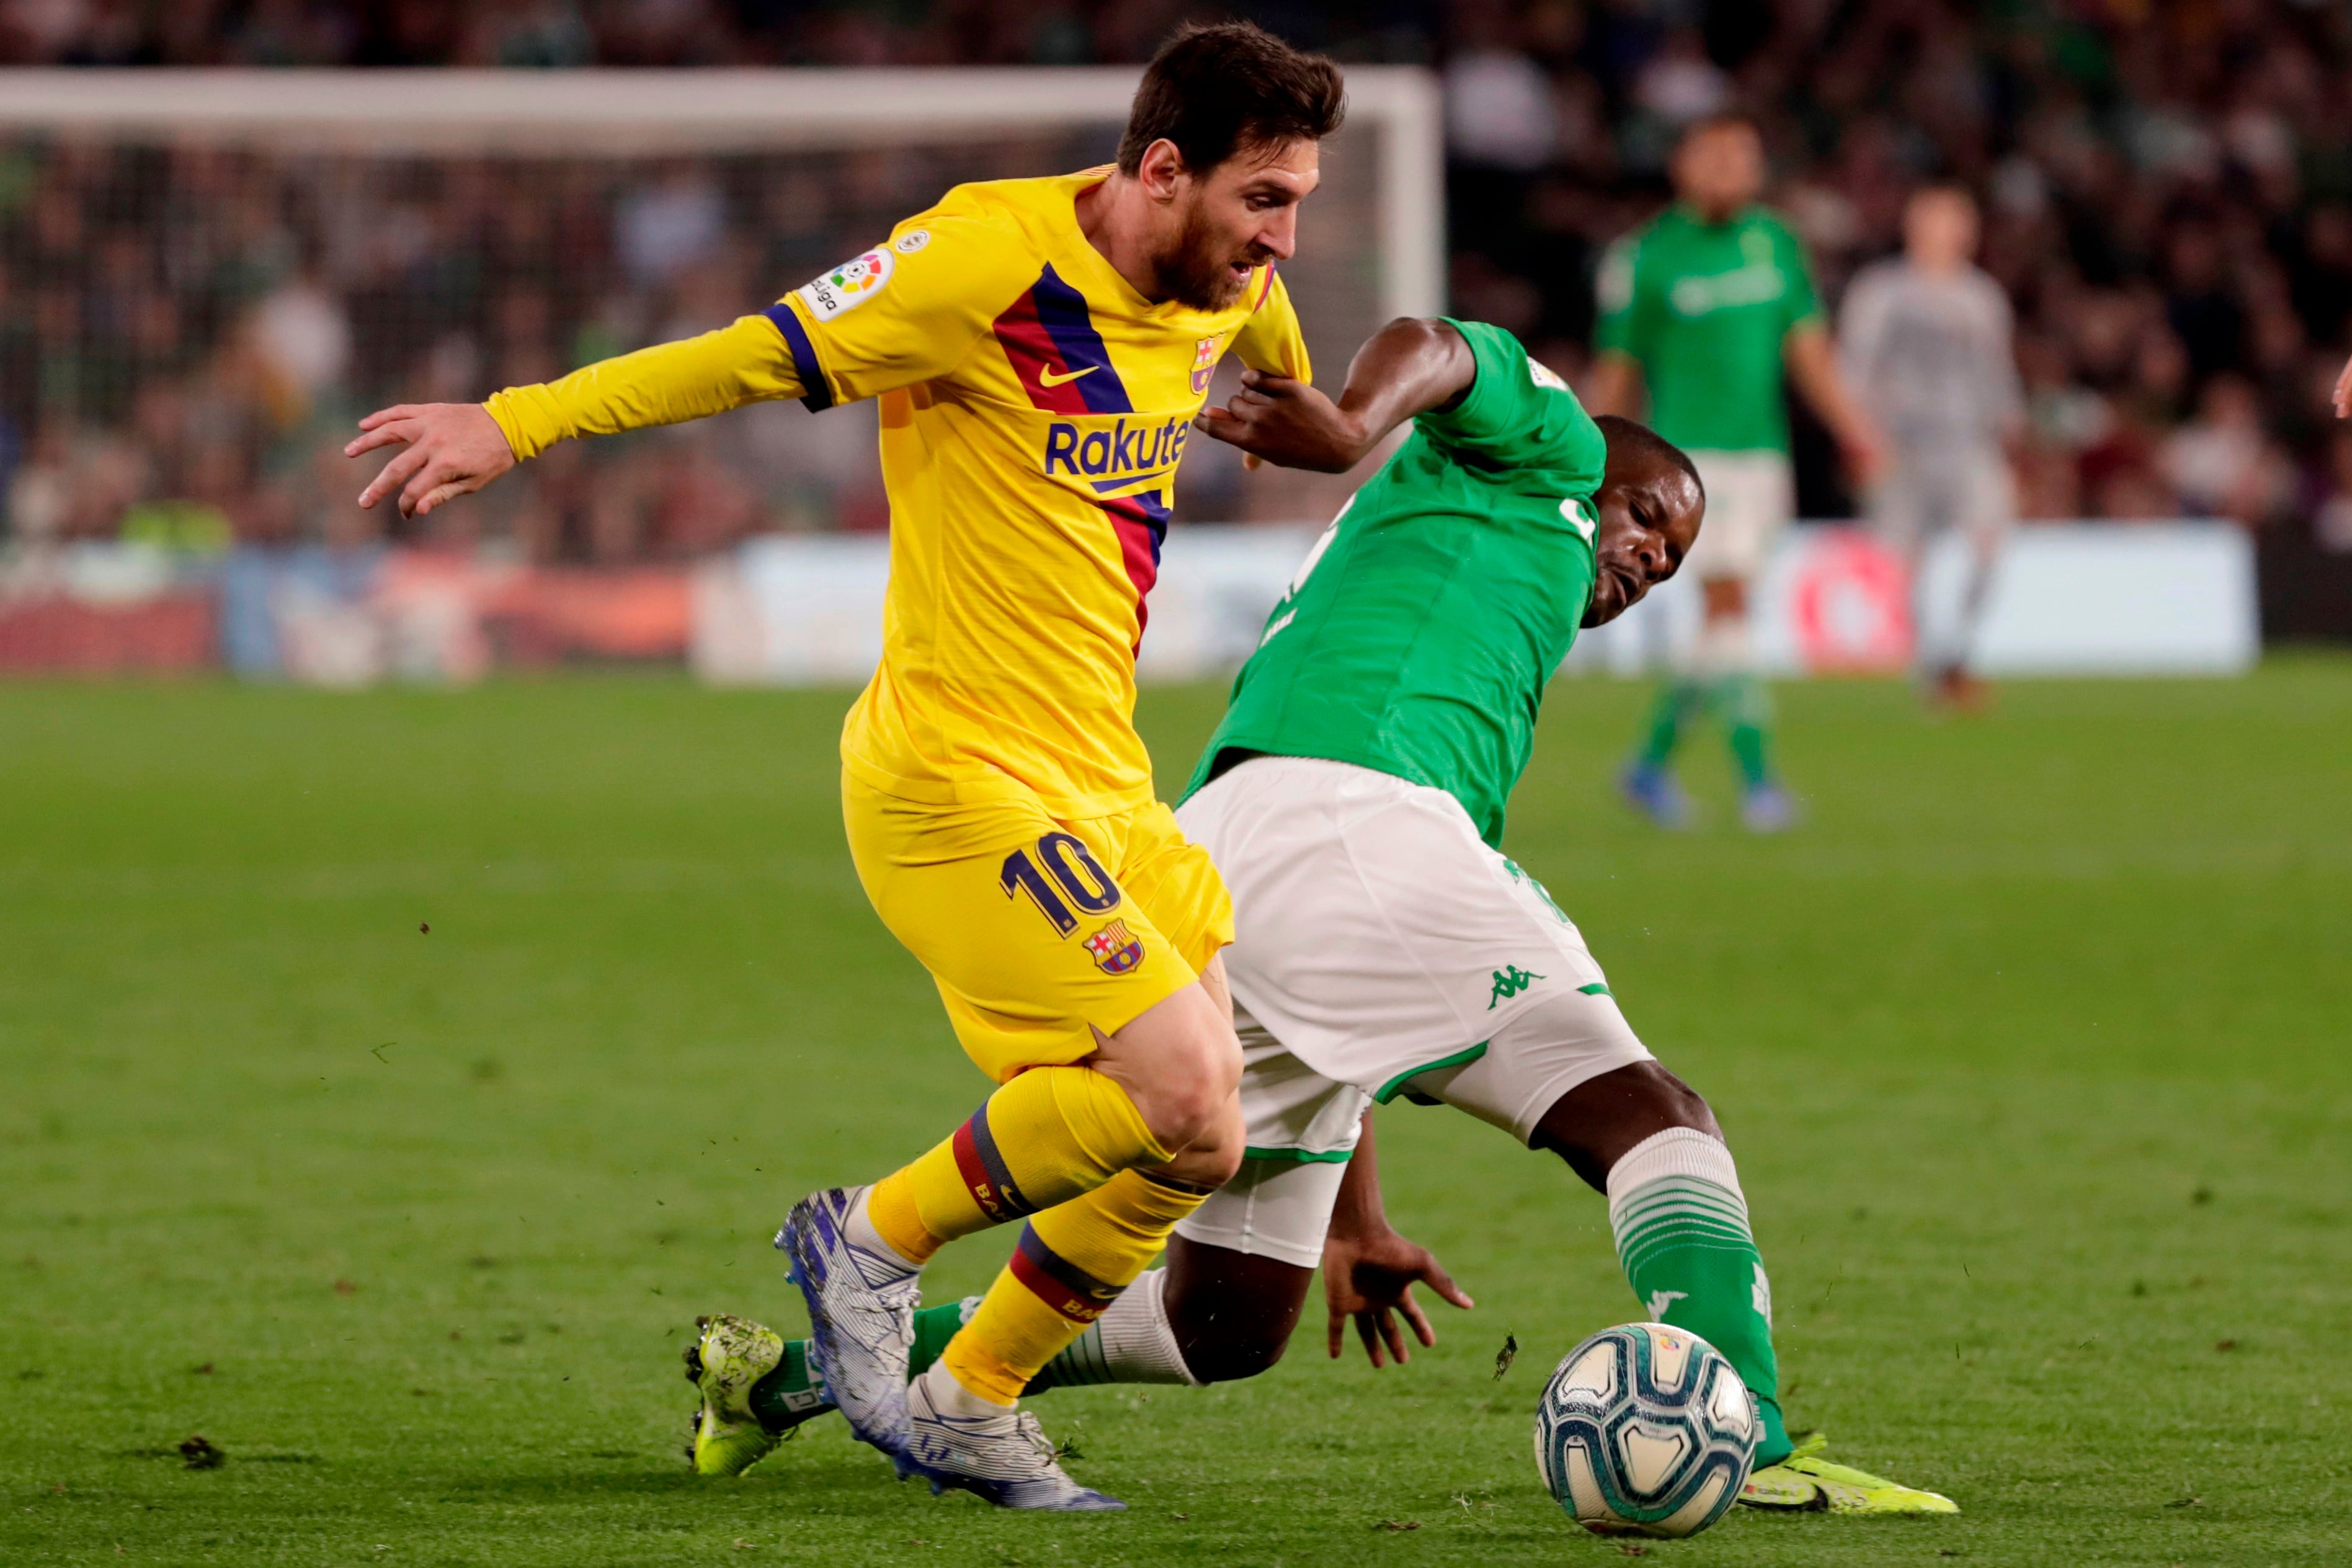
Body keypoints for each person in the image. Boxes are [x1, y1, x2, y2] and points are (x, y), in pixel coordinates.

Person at [687, 316, 1957, 1517]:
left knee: (1223, 1320)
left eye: (1672, 561)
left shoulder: (1455, 597)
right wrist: (1351, 420)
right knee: (1654, 1117)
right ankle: (1755, 1439)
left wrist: (1359, 1220)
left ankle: (789, 1374)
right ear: (1598, 473)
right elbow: (1440, 348)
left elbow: (1351, 985)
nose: (1649, 561)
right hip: (1344, 819)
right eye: (1648, 518)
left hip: (1242, 857)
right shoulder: (1549, 447)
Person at [344, 21, 1345, 1512]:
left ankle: (974, 1399)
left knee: (1199, 1139)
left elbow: (1269, 354)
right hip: (956, 773)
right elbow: (748, 356)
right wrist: (517, 420)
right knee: (1180, 1079)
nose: (1282, 240)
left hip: (1101, 778)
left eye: (1297, 203)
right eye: (1263, 200)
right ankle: (866, 1242)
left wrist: (1307, 414)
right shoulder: (979, 265)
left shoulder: (1227, 285)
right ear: (1159, 171)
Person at [1588, 114, 1882, 831]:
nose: (1728, 169)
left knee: (1728, 615)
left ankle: (1648, 765)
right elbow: (1618, 369)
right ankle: (1759, 783)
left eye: (1740, 157)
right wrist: (1594, 458)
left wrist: (1855, 428)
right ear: (1683, 166)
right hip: (1688, 468)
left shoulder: (1776, 243)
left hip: (1764, 459)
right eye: (1713, 156)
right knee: (1728, 606)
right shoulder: (1647, 255)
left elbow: (1810, 351)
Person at [1839, 185, 2022, 709]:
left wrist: (2010, 430)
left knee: (1990, 546)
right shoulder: (1881, 292)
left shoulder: (1983, 297)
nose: (1950, 232)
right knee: (1907, 563)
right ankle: (1933, 667)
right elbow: (1855, 367)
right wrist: (1862, 437)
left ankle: (1958, 652)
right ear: (1914, 227)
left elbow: (1997, 371)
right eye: (1939, 220)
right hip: (1902, 446)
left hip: (1968, 444)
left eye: (1958, 221)